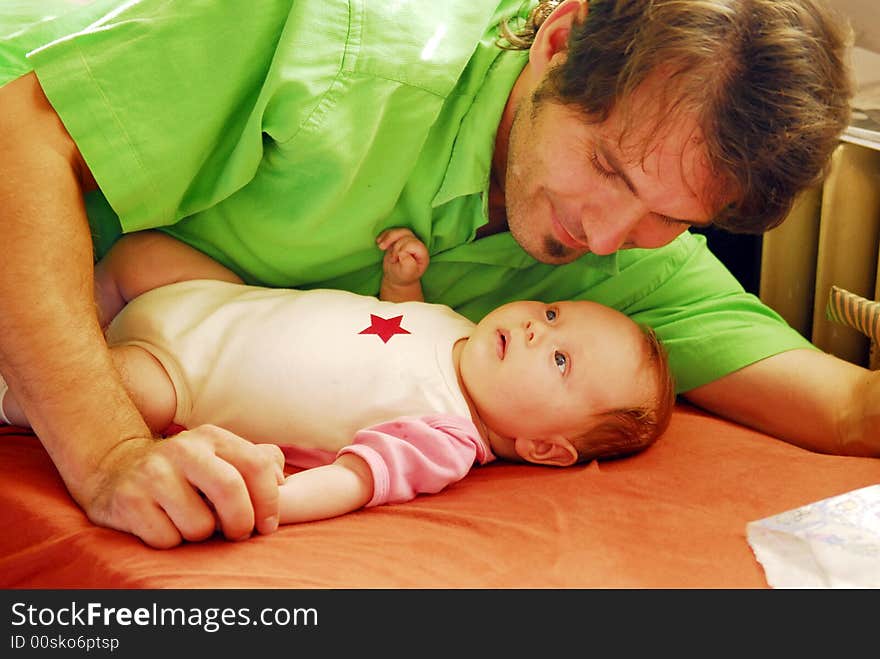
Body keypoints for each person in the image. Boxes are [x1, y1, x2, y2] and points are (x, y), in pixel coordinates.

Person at [0, 0, 874, 549]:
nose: (607, 236)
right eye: (609, 167)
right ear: (560, 41)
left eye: (672, 216)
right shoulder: (336, 36)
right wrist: (113, 452)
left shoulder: (633, 268)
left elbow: (843, 409)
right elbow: (21, 138)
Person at [1, 228, 676, 524]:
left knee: (121, 392)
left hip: (183, 375)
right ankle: (54, 317)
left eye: (559, 359)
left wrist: (275, 497)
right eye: (554, 312)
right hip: (217, 299)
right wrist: (401, 282)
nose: (537, 328)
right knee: (139, 255)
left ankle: (16, 382)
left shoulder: (444, 436)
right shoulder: (460, 328)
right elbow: (395, 327)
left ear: (544, 447)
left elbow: (356, 481)